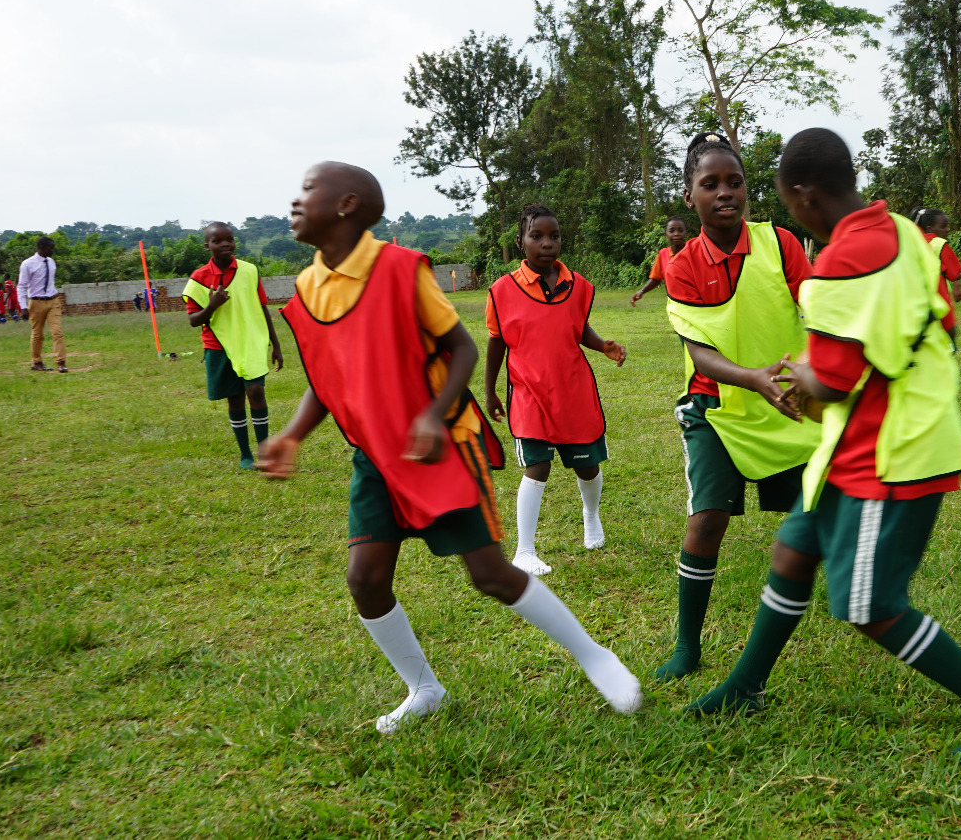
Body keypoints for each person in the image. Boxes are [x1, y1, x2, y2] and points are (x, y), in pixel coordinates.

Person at [689, 128, 961, 765]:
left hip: (891, 450)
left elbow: (829, 386)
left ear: (802, 196)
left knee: (868, 604)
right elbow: (934, 322)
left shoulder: (839, 265)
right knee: (794, 550)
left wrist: (795, 381)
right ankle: (745, 685)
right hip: (872, 434)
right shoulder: (907, 232)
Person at [259, 161, 640, 733]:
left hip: (439, 445)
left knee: (488, 573)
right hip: (376, 457)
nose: (295, 200)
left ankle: (594, 656)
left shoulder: (397, 270)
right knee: (365, 579)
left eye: (309, 189)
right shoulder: (309, 286)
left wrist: (434, 416)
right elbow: (327, 377)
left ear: (347, 205)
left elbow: (461, 347)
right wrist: (291, 433)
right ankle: (423, 688)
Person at [652, 132, 821, 682]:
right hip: (716, 407)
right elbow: (699, 350)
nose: (725, 193)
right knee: (707, 520)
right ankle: (687, 646)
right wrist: (751, 378)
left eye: (735, 182)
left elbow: (816, 309)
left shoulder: (781, 244)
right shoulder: (681, 265)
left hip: (787, 401)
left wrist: (813, 374)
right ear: (688, 195)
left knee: (821, 519)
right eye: (710, 184)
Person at [484, 204, 626, 576]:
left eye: (554, 236)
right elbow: (497, 341)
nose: (547, 243)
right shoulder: (502, 291)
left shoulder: (578, 286)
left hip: (572, 390)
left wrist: (603, 346)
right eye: (537, 236)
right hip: (529, 391)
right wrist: (490, 390)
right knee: (538, 466)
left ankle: (591, 518)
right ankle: (524, 551)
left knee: (588, 467)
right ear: (521, 242)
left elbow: (577, 328)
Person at [183, 222, 285, 469]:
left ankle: (265, 452)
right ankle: (245, 455)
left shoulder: (249, 270)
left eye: (229, 239)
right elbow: (194, 320)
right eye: (218, 241)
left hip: (251, 341)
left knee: (256, 392)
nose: (225, 244)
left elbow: (262, 307)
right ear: (207, 246)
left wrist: (276, 344)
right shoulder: (199, 278)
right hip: (218, 346)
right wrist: (212, 305)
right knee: (235, 399)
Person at [17, 236, 67, 372]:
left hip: (53, 300)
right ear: (43, 248)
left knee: (57, 332)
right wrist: (23, 307)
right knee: (38, 335)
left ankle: (61, 362)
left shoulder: (51, 262)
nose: (53, 250)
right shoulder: (28, 264)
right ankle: (37, 362)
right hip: (36, 302)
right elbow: (21, 286)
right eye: (51, 247)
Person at [630, 216, 691, 306]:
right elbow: (656, 278)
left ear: (685, 233)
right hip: (675, 304)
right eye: (671, 231)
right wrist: (641, 291)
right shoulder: (663, 254)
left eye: (680, 230)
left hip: (696, 302)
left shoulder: (693, 251)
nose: (676, 234)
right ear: (666, 234)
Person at [913, 208, 961, 304]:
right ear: (929, 228)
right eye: (943, 227)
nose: (948, 230)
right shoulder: (940, 244)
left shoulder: (915, 243)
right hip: (939, 298)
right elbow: (955, 273)